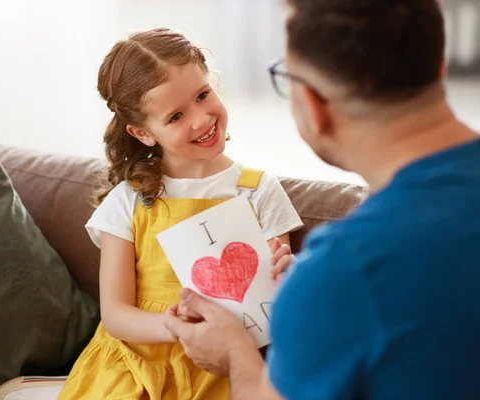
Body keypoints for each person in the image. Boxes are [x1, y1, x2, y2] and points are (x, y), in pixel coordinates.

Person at [164, 1, 480, 399]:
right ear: (439, 65)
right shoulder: (339, 276)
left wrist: (234, 351)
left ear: (313, 106)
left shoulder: (342, 270)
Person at [56, 28, 304, 400]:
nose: (202, 120)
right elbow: (116, 314)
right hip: (130, 367)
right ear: (143, 133)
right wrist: (175, 328)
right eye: (175, 116)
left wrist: (287, 278)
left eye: (203, 95)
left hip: (220, 369)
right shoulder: (131, 200)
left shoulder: (258, 191)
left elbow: (270, 313)